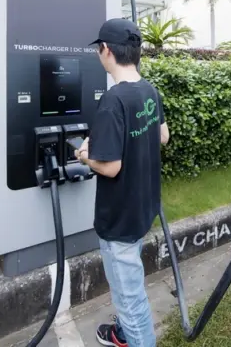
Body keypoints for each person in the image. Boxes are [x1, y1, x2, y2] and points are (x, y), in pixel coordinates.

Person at [75, 18, 169, 347]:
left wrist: (84, 156)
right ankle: (123, 335)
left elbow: (111, 167)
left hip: (119, 220)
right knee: (129, 288)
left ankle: (135, 335)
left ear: (106, 50)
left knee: (131, 301)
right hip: (142, 208)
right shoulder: (148, 90)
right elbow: (163, 135)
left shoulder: (113, 100)